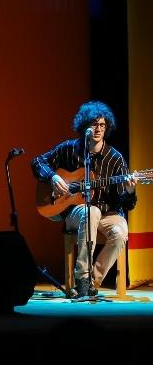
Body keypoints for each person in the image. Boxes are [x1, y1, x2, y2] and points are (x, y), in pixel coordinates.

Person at [31, 100, 136, 297]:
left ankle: (91, 281)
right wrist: (53, 177)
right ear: (84, 126)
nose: (97, 129)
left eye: (102, 125)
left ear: (107, 128)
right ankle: (82, 276)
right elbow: (37, 161)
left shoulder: (115, 159)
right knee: (91, 211)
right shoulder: (69, 149)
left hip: (107, 213)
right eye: (93, 124)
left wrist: (130, 191)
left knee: (120, 231)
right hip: (75, 214)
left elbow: (127, 204)